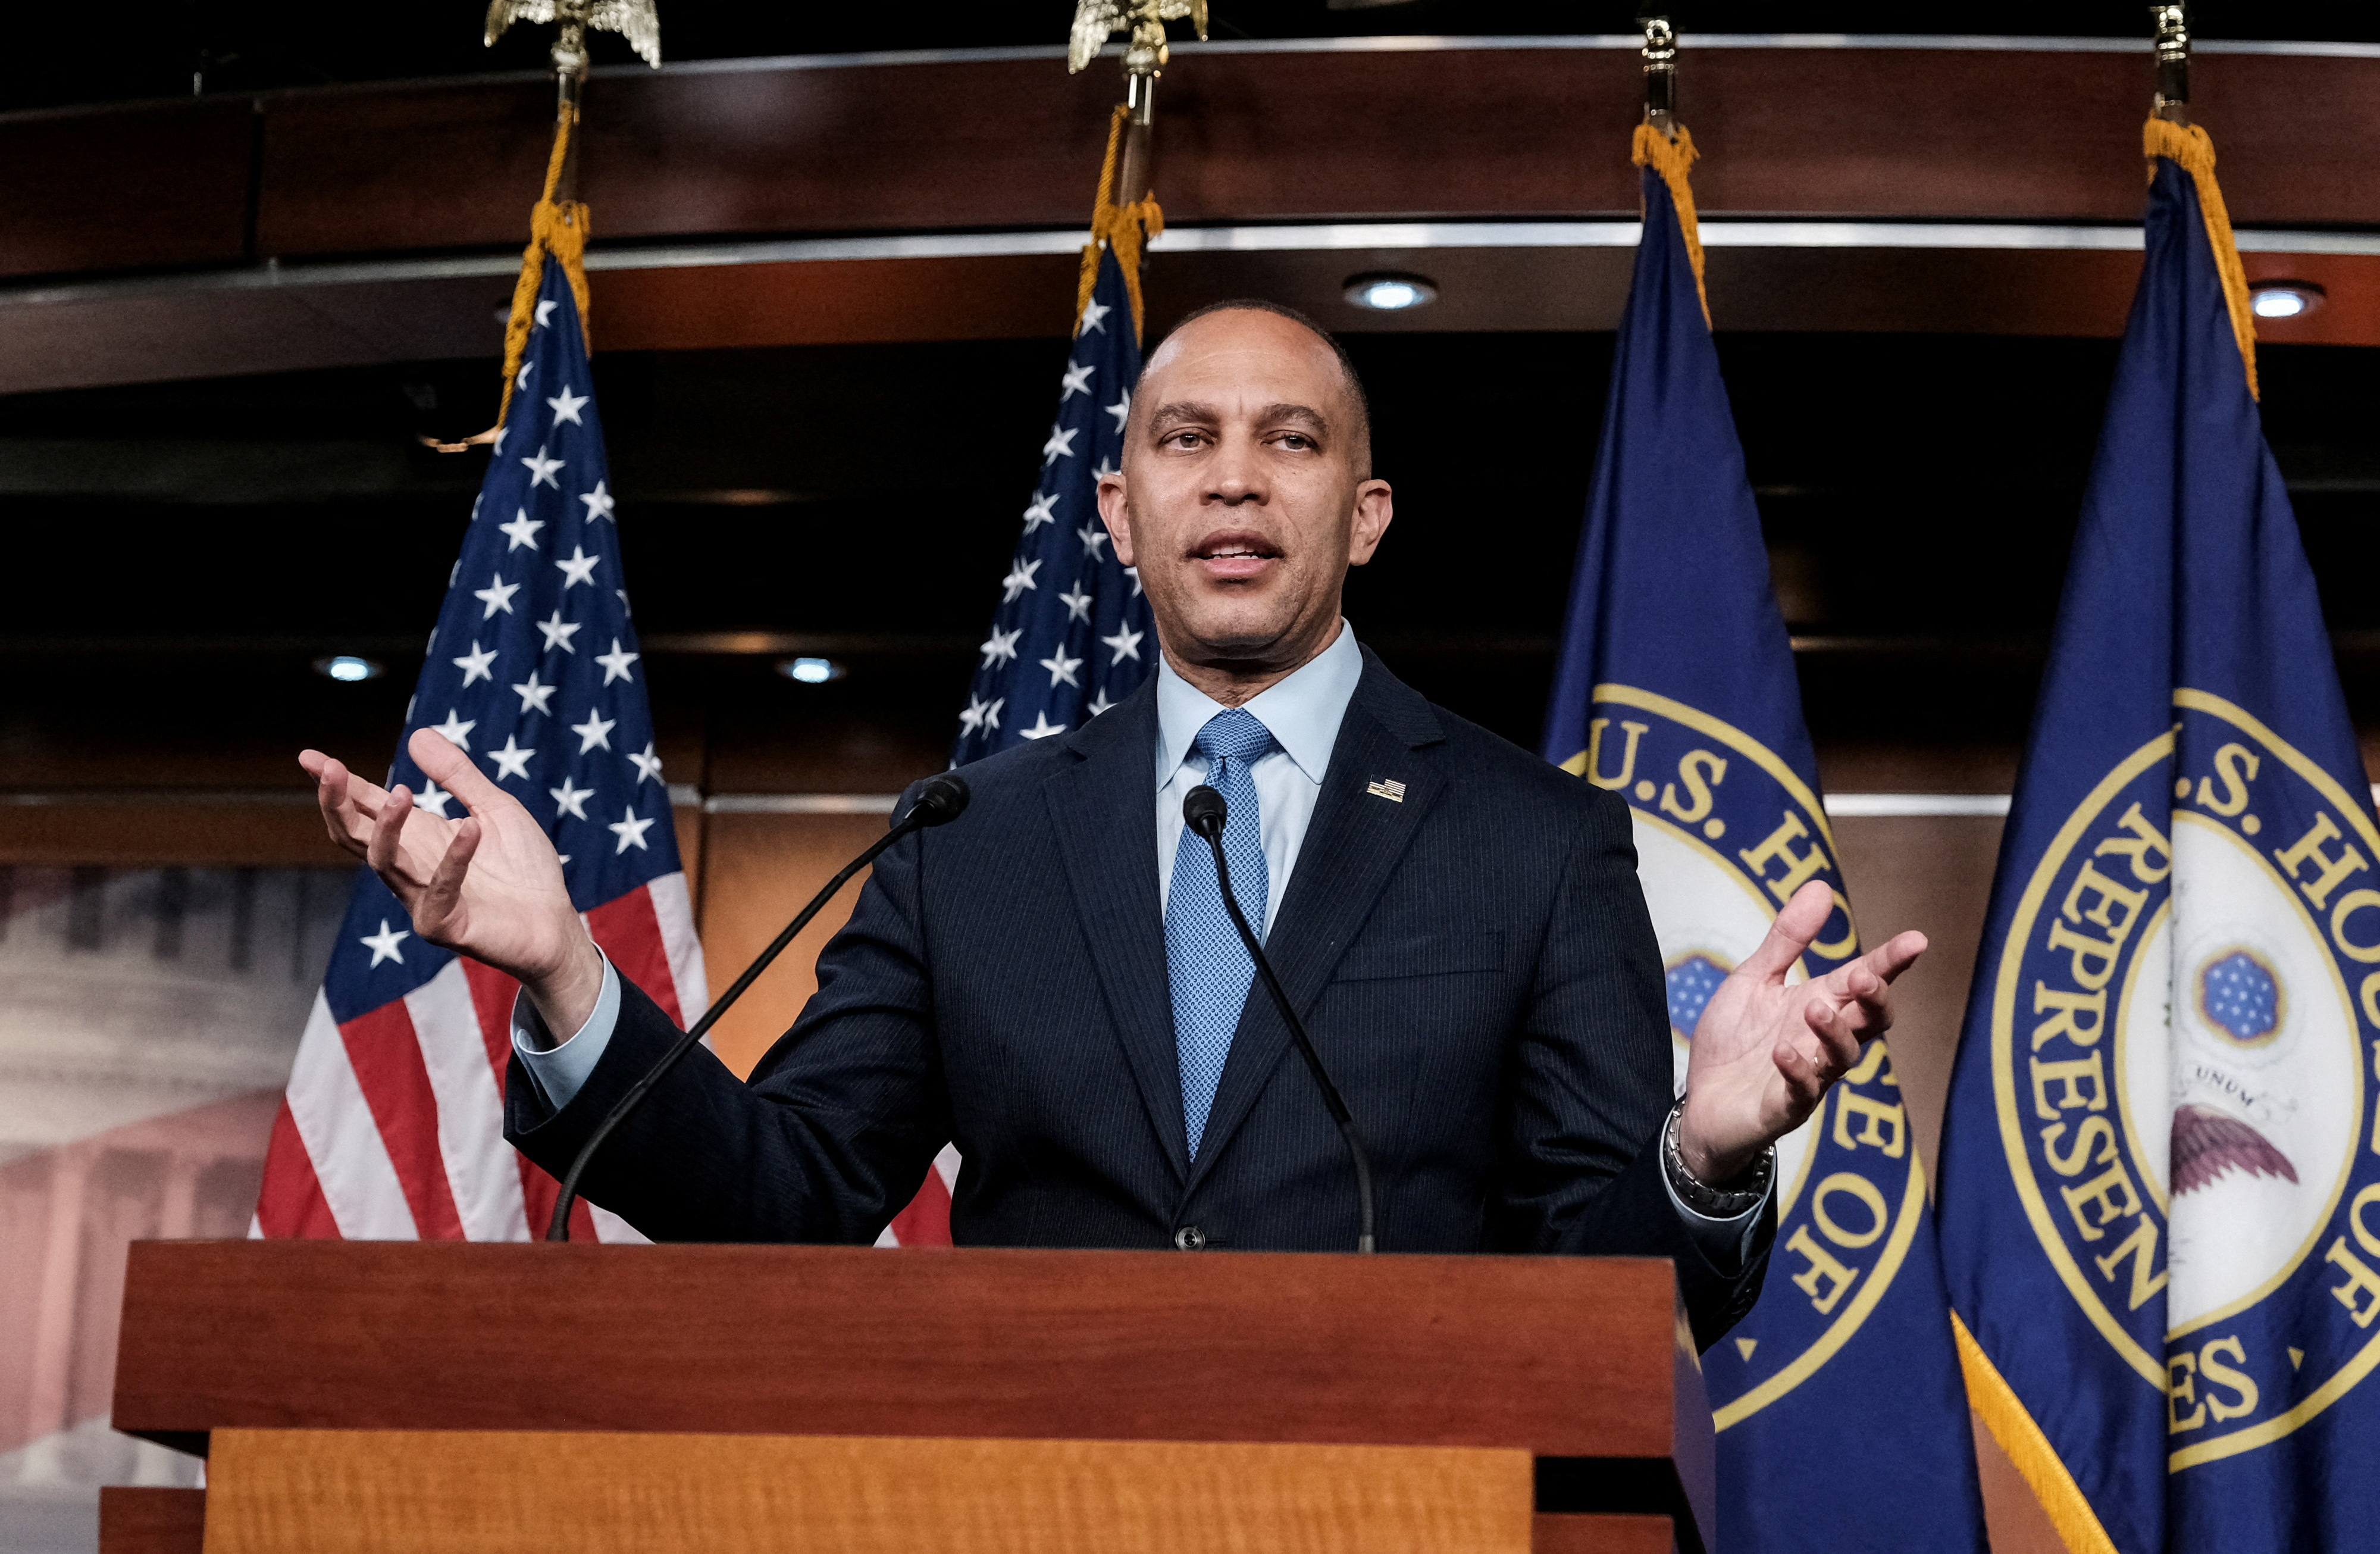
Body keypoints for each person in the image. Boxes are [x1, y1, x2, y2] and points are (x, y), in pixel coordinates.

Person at [300, 300, 1924, 1347]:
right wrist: (573, 975)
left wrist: (1704, 1153)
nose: (1234, 481)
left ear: (1363, 518)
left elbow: (1607, 1306)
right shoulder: (968, 835)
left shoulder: (1536, 839)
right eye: (1184, 441)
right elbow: (783, 1198)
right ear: (1117, 512)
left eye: (1290, 441)